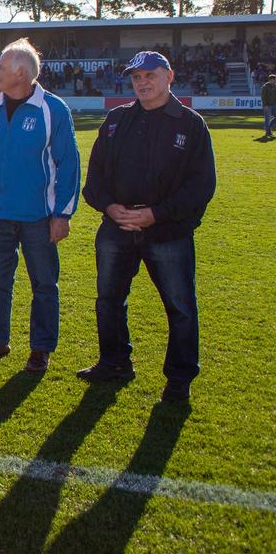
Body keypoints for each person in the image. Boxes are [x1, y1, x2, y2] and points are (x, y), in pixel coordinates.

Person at [79, 51, 216, 403]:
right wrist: (110, 207)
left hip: (167, 232)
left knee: (180, 307)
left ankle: (179, 380)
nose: (142, 83)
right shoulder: (116, 121)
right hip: (117, 227)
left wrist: (156, 214)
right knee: (109, 300)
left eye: (150, 75)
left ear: (169, 76)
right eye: (136, 77)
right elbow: (94, 179)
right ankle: (114, 362)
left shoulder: (190, 124)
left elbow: (201, 187)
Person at [0, 38, 80, 373]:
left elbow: (69, 164)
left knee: (44, 284)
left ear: (20, 73)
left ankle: (41, 348)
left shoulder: (53, 109)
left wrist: (62, 214)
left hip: (38, 218)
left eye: (0, 66)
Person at [261, 73, 276, 138]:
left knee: (270, 119)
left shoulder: (275, 86)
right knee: (267, 119)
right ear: (270, 80)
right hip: (267, 106)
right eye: (273, 80)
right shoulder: (265, 87)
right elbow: (263, 97)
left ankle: (269, 128)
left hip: (274, 105)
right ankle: (268, 132)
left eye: (275, 80)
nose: (275, 81)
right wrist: (265, 105)